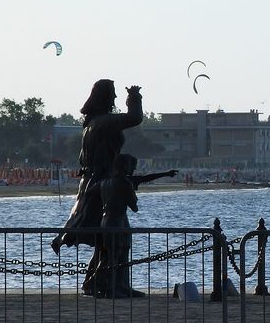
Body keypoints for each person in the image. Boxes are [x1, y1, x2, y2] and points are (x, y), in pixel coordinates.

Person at [51, 79, 144, 290]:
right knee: (117, 238)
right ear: (104, 97)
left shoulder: (93, 123)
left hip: (96, 183)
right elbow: (134, 117)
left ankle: (105, 283)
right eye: (112, 93)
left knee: (107, 241)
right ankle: (108, 284)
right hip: (102, 184)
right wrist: (134, 96)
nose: (115, 98)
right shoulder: (102, 122)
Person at [82, 154, 178, 298]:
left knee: (117, 255)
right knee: (114, 257)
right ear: (123, 166)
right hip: (118, 222)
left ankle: (120, 285)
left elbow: (88, 192)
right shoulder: (125, 183)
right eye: (130, 166)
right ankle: (101, 285)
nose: (132, 169)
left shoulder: (104, 182)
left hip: (107, 221)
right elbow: (134, 206)